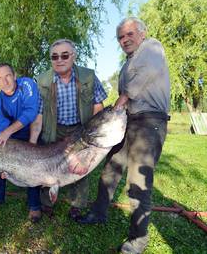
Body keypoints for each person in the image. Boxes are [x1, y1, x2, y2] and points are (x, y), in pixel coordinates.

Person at [77, 17, 170, 254]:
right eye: (120, 37)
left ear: (142, 33)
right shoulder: (126, 65)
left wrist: (122, 98)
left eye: (129, 34)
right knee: (110, 169)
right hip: (129, 122)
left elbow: (140, 81)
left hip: (150, 123)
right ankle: (98, 213)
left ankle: (137, 241)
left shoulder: (151, 47)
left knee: (138, 182)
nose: (124, 39)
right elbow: (122, 100)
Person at [33, 39, 107, 220]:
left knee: (82, 167)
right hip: (55, 129)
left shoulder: (88, 77)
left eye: (65, 55)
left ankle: (77, 205)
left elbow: (98, 105)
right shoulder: (43, 80)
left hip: (80, 128)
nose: (59, 59)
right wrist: (32, 142)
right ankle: (47, 203)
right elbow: (39, 114)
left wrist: (92, 130)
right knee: (48, 166)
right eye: (54, 56)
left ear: (73, 56)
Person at [0, 63, 43, 223]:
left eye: (7, 76)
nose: (4, 81)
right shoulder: (0, 102)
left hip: (32, 131)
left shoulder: (27, 84)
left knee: (33, 164)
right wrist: (6, 163)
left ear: (15, 75)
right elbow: (2, 133)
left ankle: (34, 204)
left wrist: (29, 143)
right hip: (13, 138)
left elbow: (31, 113)